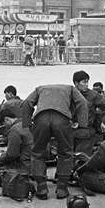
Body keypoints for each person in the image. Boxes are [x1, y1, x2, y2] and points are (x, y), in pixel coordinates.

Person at [22, 71, 90, 200]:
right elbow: (82, 103)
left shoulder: (39, 89)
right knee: (65, 153)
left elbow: (27, 103)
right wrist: (82, 124)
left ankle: (41, 187)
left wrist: (27, 124)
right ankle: (62, 189)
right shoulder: (70, 89)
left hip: (41, 119)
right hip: (62, 119)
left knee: (37, 153)